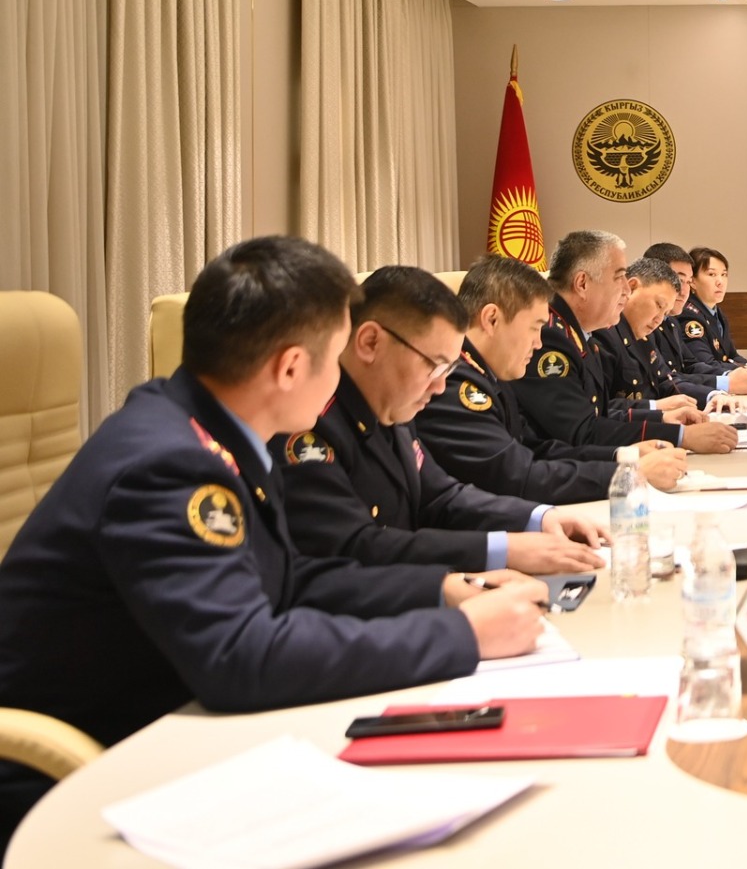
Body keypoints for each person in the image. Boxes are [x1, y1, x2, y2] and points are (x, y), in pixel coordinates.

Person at [0, 237, 545, 843]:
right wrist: (461, 636)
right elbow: (241, 657)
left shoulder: (212, 430)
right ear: (289, 368)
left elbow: (289, 578)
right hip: (72, 780)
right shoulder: (170, 465)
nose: (340, 377)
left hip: (171, 727)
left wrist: (443, 592)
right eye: (335, 355)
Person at [277, 266, 610, 575]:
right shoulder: (310, 425)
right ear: (370, 342)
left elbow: (440, 496)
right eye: (434, 365)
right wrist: (499, 551)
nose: (439, 386)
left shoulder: (393, 404)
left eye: (447, 369)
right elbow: (355, 547)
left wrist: (538, 518)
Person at [415, 255, 686, 502]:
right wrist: (630, 474)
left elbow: (535, 450)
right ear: (492, 319)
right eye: (534, 328)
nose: (538, 343)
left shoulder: (490, 375)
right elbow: (516, 475)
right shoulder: (453, 385)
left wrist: (622, 457)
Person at [511, 230, 735, 452]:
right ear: (582, 283)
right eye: (619, 278)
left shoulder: (579, 334)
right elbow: (581, 432)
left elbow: (599, 413)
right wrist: (679, 436)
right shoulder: (551, 337)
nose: (626, 290)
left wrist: (661, 419)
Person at [602, 258, 730, 412]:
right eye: (659, 305)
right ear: (632, 287)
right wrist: (656, 408)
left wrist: (712, 396)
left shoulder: (646, 335)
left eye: (665, 313)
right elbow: (599, 410)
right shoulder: (604, 334)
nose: (658, 319)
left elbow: (665, 381)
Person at [644, 242, 747, 397]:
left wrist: (738, 373)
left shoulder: (671, 321)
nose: (684, 291)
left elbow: (691, 365)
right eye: (678, 280)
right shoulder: (680, 317)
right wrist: (726, 383)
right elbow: (666, 379)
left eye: (724, 274)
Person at [680, 246, 747, 377]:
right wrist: (746, 368)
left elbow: (731, 355)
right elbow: (705, 364)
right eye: (712, 274)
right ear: (693, 281)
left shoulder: (717, 313)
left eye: (724, 275)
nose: (720, 282)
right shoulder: (689, 316)